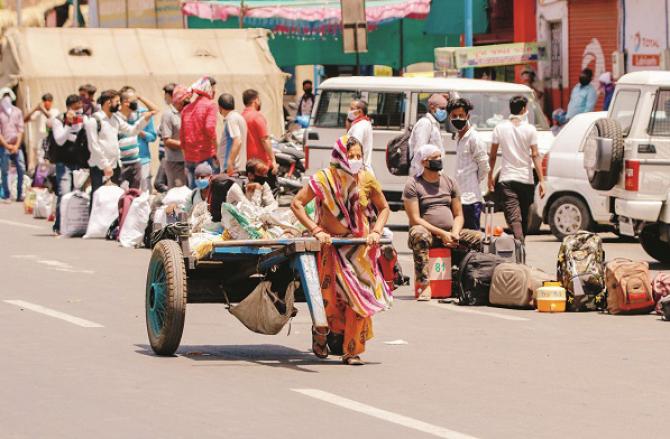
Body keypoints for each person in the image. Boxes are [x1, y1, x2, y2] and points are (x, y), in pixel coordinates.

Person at [291, 135, 392, 366]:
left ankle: (352, 351)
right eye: (351, 156)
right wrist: (317, 230)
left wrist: (376, 231)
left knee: (358, 302)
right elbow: (297, 203)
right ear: (338, 156)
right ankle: (321, 333)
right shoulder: (323, 179)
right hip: (331, 248)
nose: (355, 160)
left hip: (360, 251)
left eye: (359, 155)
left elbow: (384, 208)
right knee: (330, 301)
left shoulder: (366, 179)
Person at [404, 144, 464, 301]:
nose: (439, 160)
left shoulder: (450, 182)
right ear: (424, 162)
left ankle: (465, 283)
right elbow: (415, 219)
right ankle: (424, 286)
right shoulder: (413, 184)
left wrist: (454, 233)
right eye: (435, 158)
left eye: (440, 157)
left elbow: (458, 215)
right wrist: (442, 233)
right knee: (419, 235)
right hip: (429, 233)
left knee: (478, 239)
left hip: (450, 232)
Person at [488, 95, 546, 241]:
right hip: (526, 180)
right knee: (524, 217)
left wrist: (490, 177)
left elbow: (493, 155)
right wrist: (542, 181)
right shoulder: (530, 129)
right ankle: (520, 244)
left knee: (514, 216)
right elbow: (535, 155)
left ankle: (519, 244)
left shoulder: (500, 128)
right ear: (523, 109)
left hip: (507, 178)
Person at [85, 89, 155, 200]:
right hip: (100, 167)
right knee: (98, 198)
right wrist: (105, 165)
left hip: (115, 166)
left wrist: (144, 119)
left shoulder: (115, 119)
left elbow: (131, 131)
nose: (119, 104)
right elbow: (94, 146)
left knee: (114, 199)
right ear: (108, 102)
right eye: (117, 102)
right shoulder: (93, 121)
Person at [448, 97, 490, 231]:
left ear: (468, 116)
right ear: (449, 117)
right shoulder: (458, 137)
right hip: (458, 199)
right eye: (454, 116)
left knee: (472, 238)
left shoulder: (474, 138)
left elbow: (484, 166)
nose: (458, 118)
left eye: (461, 115)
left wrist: (473, 180)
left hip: (471, 199)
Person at [50, 94, 86, 233]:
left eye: (80, 108)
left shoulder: (83, 120)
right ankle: (59, 226)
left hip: (79, 162)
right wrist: (69, 125)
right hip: (63, 162)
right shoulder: (59, 120)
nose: (78, 112)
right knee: (64, 193)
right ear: (69, 108)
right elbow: (60, 140)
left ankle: (75, 226)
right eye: (76, 109)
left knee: (77, 194)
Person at [181, 77, 218, 187]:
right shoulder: (210, 105)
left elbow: (182, 138)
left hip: (189, 158)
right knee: (207, 193)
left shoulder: (186, 109)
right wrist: (217, 150)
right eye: (214, 89)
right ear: (209, 89)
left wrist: (186, 157)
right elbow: (210, 128)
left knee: (193, 195)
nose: (215, 92)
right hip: (205, 156)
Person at [119, 86, 158, 191]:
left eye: (134, 99)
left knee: (142, 192)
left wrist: (141, 133)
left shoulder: (142, 113)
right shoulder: (118, 117)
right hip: (123, 160)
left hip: (142, 159)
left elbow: (153, 137)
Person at [408, 94, 447, 176]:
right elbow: (419, 151)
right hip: (424, 174)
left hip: (432, 172)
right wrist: (422, 175)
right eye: (442, 108)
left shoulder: (434, 123)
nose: (444, 112)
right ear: (432, 107)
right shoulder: (425, 123)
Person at [159, 84, 189, 189]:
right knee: (177, 192)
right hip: (175, 161)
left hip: (187, 161)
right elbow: (167, 140)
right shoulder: (168, 115)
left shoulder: (186, 113)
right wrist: (186, 145)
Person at [0, 87, 26, 203]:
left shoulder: (17, 112)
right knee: (5, 170)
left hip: (17, 145)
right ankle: (7, 195)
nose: (6, 98)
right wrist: (6, 145)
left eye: (8, 95)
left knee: (21, 168)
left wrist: (16, 145)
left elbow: (20, 130)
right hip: (4, 145)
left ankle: (20, 193)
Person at [242, 89, 277, 173]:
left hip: (246, 163)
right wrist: (273, 160)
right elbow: (264, 140)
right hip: (260, 164)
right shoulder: (257, 116)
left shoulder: (241, 116)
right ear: (256, 100)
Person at [24, 93, 59, 164]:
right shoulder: (38, 113)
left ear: (51, 102)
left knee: (50, 160)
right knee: (40, 161)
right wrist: (34, 109)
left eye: (48, 101)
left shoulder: (55, 111)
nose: (46, 103)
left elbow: (49, 117)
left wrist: (42, 109)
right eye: (45, 101)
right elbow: (25, 120)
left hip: (50, 141)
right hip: (39, 141)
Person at [217, 93, 247, 176]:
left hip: (231, 169)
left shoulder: (231, 119)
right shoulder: (239, 117)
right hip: (238, 168)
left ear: (220, 107)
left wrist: (229, 163)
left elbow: (237, 141)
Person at [346, 99, 373, 172]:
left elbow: (354, 150)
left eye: (352, 109)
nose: (349, 111)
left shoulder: (359, 127)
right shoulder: (364, 123)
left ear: (360, 112)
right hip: (362, 170)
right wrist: (349, 119)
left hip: (359, 171)